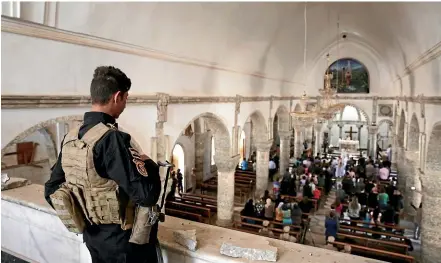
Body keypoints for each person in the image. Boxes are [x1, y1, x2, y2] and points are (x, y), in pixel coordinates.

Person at [44, 66, 163, 263]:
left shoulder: (70, 137)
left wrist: (83, 213)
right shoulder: (112, 139)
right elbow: (146, 195)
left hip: (93, 237)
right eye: (125, 99)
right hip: (124, 243)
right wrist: (149, 164)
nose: (125, 105)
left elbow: (51, 189)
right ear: (117, 96)